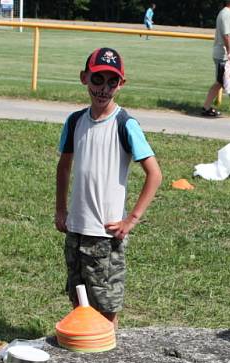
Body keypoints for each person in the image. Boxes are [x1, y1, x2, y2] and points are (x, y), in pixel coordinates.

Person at [55, 47, 163, 328]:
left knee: (105, 309)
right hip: (76, 229)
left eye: (111, 82)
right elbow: (64, 166)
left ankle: (108, 359)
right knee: (79, 303)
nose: (103, 88)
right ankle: (85, 353)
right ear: (84, 78)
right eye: (97, 79)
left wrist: (132, 219)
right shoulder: (75, 121)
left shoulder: (124, 124)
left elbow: (155, 174)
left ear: (121, 84)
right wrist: (60, 210)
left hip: (105, 235)